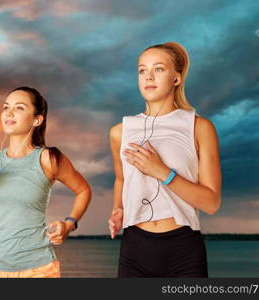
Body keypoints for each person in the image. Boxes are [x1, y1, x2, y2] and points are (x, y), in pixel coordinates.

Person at [108, 42, 222, 278]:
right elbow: (121, 178)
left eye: (158, 69)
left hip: (183, 249)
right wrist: (118, 209)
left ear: (176, 79)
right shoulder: (119, 132)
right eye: (142, 70)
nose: (148, 76)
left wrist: (162, 172)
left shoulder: (199, 127)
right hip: (134, 248)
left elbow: (211, 202)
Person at [0, 86, 91, 278]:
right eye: (6, 107)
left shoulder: (49, 158)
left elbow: (83, 190)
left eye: (19, 108)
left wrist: (69, 223)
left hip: (38, 269)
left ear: (37, 120)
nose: (9, 112)